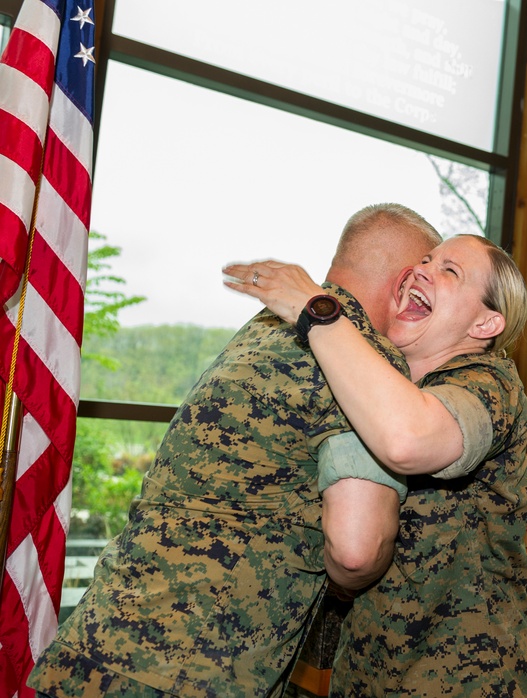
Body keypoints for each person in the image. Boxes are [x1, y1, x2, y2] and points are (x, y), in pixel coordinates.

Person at [27, 203, 442, 697]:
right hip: (193, 670)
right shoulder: (363, 361)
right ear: (405, 285)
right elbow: (357, 550)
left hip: (96, 640)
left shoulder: (264, 329)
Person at [226, 233, 527, 697]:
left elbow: (410, 438)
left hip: (465, 679)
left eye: (449, 271)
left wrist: (317, 310)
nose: (421, 270)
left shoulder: (490, 382)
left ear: (485, 322)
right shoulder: (383, 378)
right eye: (425, 261)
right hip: (369, 672)